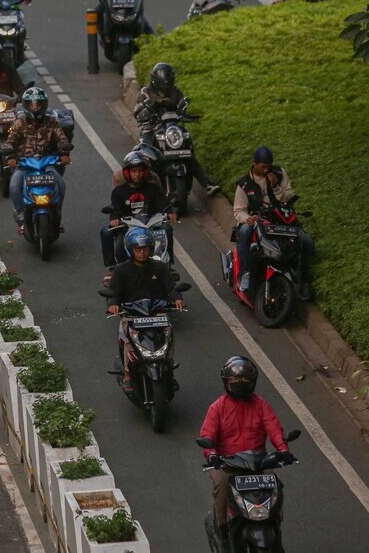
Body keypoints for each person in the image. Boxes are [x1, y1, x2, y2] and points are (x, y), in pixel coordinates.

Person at [200, 356, 293, 546]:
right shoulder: (217, 407)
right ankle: (222, 529)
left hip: (259, 463)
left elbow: (274, 429)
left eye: (245, 382)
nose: (240, 385)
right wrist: (212, 455)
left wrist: (283, 450)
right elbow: (207, 434)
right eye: (236, 382)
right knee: (222, 485)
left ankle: (275, 523)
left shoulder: (261, 405)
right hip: (227, 463)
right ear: (227, 383)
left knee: (276, 484)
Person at [106, 229, 185, 391]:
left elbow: (170, 289)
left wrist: (177, 299)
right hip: (131, 314)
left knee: (168, 334)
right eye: (138, 249)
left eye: (145, 248)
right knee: (127, 337)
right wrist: (113, 304)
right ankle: (128, 374)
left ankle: (168, 369)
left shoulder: (160, 267)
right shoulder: (121, 270)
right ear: (130, 250)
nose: (142, 252)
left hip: (157, 312)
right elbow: (113, 293)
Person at [231, 146, 315, 299]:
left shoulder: (279, 174)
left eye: (268, 166)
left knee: (307, 241)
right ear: (254, 163)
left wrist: (275, 186)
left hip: (280, 219)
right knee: (243, 232)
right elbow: (238, 210)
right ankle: (245, 275)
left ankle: (303, 281)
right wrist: (247, 219)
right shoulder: (244, 184)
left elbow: (289, 197)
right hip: (257, 220)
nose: (266, 170)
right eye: (263, 166)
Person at [134, 62, 222, 201]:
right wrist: (154, 106)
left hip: (172, 129)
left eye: (168, 83)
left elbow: (183, 108)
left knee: (188, 151)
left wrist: (188, 114)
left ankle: (207, 184)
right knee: (142, 155)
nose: (166, 86)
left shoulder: (176, 92)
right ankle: (139, 188)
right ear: (155, 81)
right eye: (163, 83)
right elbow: (139, 114)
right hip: (151, 129)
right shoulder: (145, 93)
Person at [5, 87, 70, 235]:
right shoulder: (19, 123)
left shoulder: (52, 121)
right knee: (14, 185)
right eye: (32, 104)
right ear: (26, 106)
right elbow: (9, 142)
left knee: (60, 184)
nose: (35, 107)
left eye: (39, 104)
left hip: (47, 164)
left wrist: (65, 152)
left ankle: (57, 214)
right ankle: (21, 215)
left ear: (44, 105)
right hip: (24, 165)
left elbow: (62, 139)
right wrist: (11, 157)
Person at [101, 151, 176, 269]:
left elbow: (163, 203)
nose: (137, 174)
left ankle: (168, 264)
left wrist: (170, 212)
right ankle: (113, 268)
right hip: (127, 227)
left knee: (167, 229)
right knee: (110, 236)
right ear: (127, 173)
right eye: (134, 171)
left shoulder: (153, 188)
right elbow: (115, 208)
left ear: (145, 172)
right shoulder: (119, 191)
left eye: (140, 171)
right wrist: (114, 219)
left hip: (150, 225)